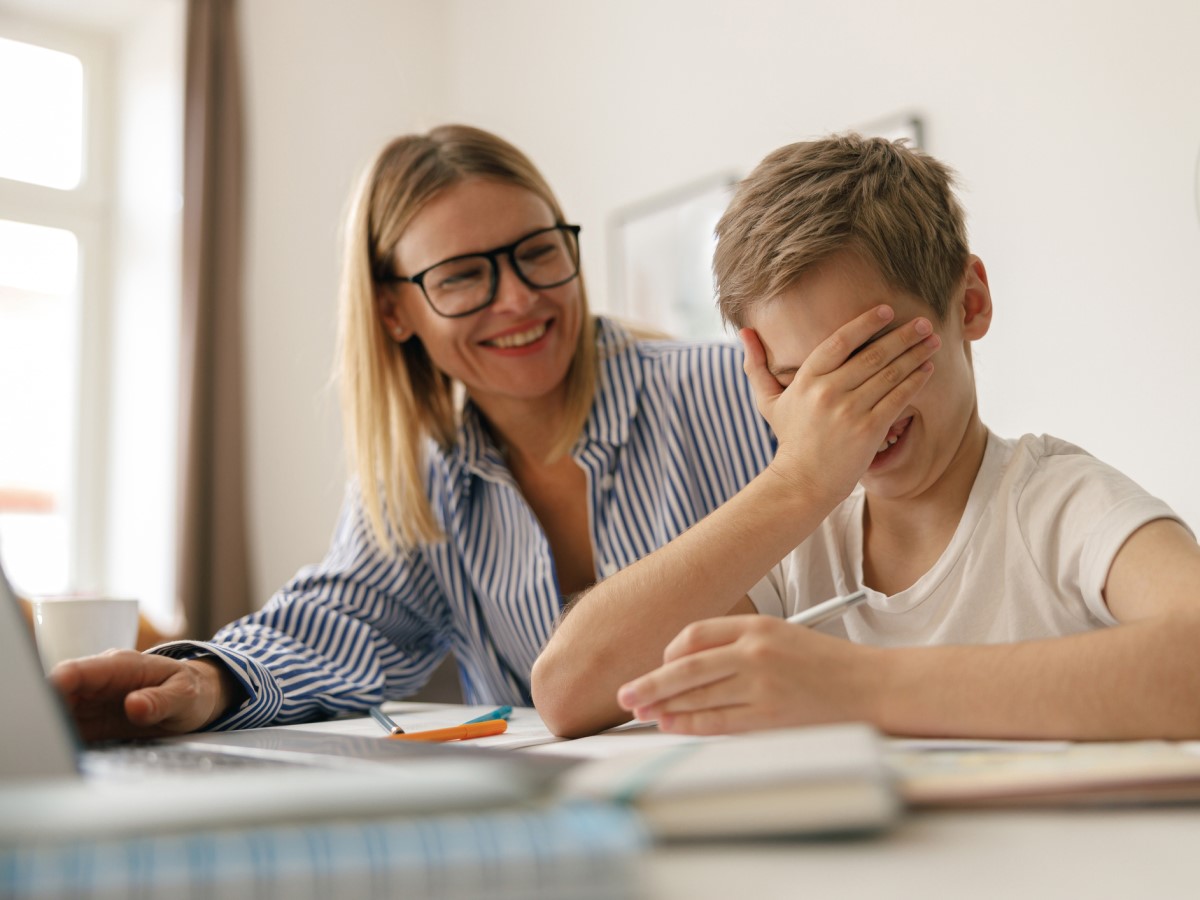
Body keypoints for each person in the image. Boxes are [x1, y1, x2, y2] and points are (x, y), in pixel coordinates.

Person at [50, 124, 775, 741]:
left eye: (539, 250)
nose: (519, 298)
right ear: (396, 313)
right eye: (461, 276)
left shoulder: (737, 391)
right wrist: (201, 682)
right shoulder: (426, 478)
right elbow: (335, 626)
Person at [532, 133, 1200, 740]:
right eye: (801, 381)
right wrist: (798, 481)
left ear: (968, 302)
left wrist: (855, 687)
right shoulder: (804, 543)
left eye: (871, 357)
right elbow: (568, 691)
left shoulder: (1059, 505)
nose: (845, 410)